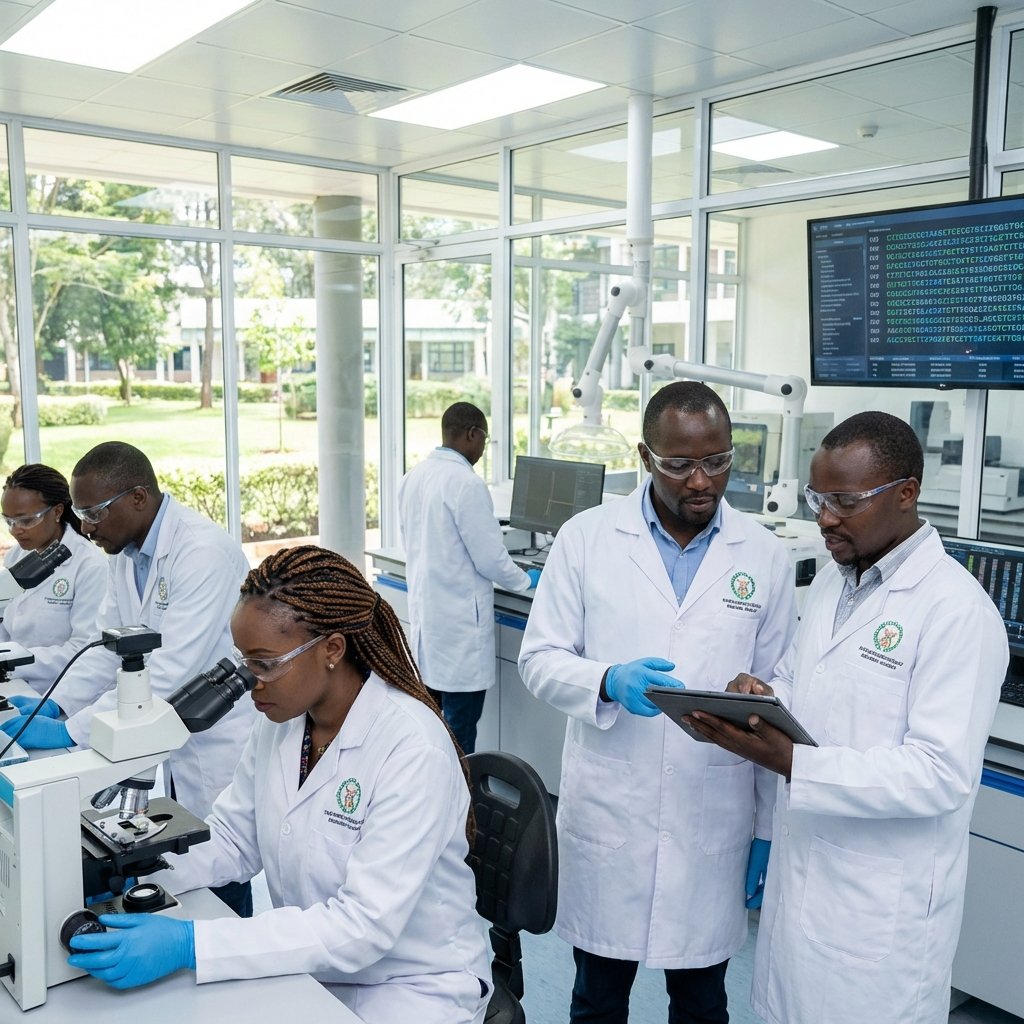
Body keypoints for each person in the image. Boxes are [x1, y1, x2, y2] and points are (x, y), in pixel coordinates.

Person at [66, 545, 492, 1024]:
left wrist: (191, 944)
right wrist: (132, 876)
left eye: (265, 663)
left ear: (333, 649)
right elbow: (233, 840)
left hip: (413, 984)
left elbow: (362, 926)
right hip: (313, 966)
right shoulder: (283, 723)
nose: (252, 682)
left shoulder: (412, 748)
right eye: (244, 661)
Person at [685, 411, 1009, 1024]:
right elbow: (804, 681)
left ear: (906, 494)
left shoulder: (957, 613)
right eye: (818, 499)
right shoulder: (835, 583)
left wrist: (794, 763)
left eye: (845, 502)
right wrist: (763, 696)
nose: (825, 518)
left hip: (879, 910)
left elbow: (940, 774)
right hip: (807, 876)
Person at [518, 381, 796, 1024]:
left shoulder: (764, 555)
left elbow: (780, 682)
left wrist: (765, 828)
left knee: (702, 1004)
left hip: (713, 812)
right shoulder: (587, 538)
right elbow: (538, 659)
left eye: (717, 461)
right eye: (679, 464)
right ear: (645, 457)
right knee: (597, 1000)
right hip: (613, 813)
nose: (701, 480)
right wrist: (607, 680)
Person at [0, 441, 255, 916]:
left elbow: (170, 669)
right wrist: (58, 705)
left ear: (138, 497)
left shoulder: (202, 552)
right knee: (186, 853)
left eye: (93, 513)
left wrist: (73, 731)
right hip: (169, 735)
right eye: (80, 514)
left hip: (217, 740)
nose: (85, 527)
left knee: (221, 862)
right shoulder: (125, 552)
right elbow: (107, 648)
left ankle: (230, 935)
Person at [398, 401, 539, 754]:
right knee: (461, 733)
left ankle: (435, 786)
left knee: (431, 729)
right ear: (472, 434)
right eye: (484, 440)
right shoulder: (467, 484)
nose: (482, 449)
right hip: (459, 635)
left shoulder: (414, 477)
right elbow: (491, 559)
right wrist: (527, 581)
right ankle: (463, 790)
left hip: (429, 628)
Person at [0, 463, 106, 692]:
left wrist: (12, 662)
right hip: (13, 683)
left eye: (26, 520)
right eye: (9, 521)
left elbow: (83, 649)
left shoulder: (89, 566)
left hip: (59, 692)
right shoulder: (16, 556)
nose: (16, 530)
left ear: (57, 511)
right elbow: (5, 625)